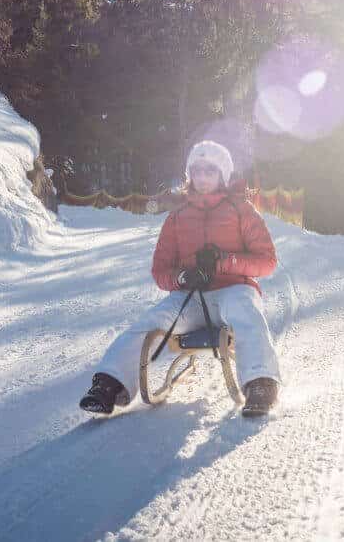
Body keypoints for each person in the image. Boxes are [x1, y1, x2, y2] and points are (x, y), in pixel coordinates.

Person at [79, 140, 282, 417]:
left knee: (246, 312)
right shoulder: (178, 217)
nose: (202, 177)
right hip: (192, 297)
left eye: (210, 171)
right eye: (196, 171)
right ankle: (108, 383)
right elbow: (160, 271)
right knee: (150, 322)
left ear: (223, 174)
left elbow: (267, 261)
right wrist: (183, 277)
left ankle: (260, 383)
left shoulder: (242, 211)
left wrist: (225, 261)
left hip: (234, 289)